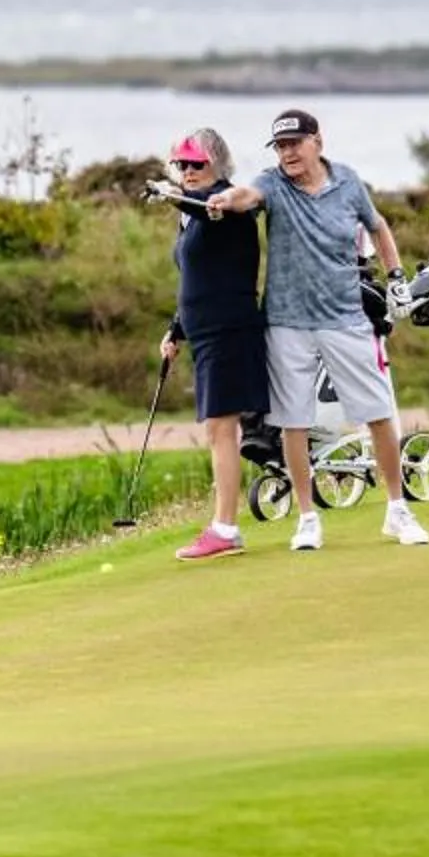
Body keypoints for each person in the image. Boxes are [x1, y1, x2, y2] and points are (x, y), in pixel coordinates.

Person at [199, 109, 429, 549]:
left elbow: (378, 227)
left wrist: (396, 275)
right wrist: (225, 200)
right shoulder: (272, 183)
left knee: (378, 412)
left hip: (344, 318)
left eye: (295, 144)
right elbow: (247, 195)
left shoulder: (348, 183)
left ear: (316, 142)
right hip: (287, 323)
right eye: (281, 146)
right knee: (293, 421)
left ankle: (398, 510)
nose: (288, 153)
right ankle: (308, 519)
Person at [148, 129, 266, 562]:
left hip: (229, 328)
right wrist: (176, 330)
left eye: (196, 164)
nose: (188, 172)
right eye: (182, 165)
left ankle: (225, 528)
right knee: (219, 427)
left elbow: (214, 212)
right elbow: (197, 277)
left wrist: (171, 195)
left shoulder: (222, 202)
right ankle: (225, 526)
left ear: (216, 164)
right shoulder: (191, 212)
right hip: (204, 330)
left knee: (221, 428)